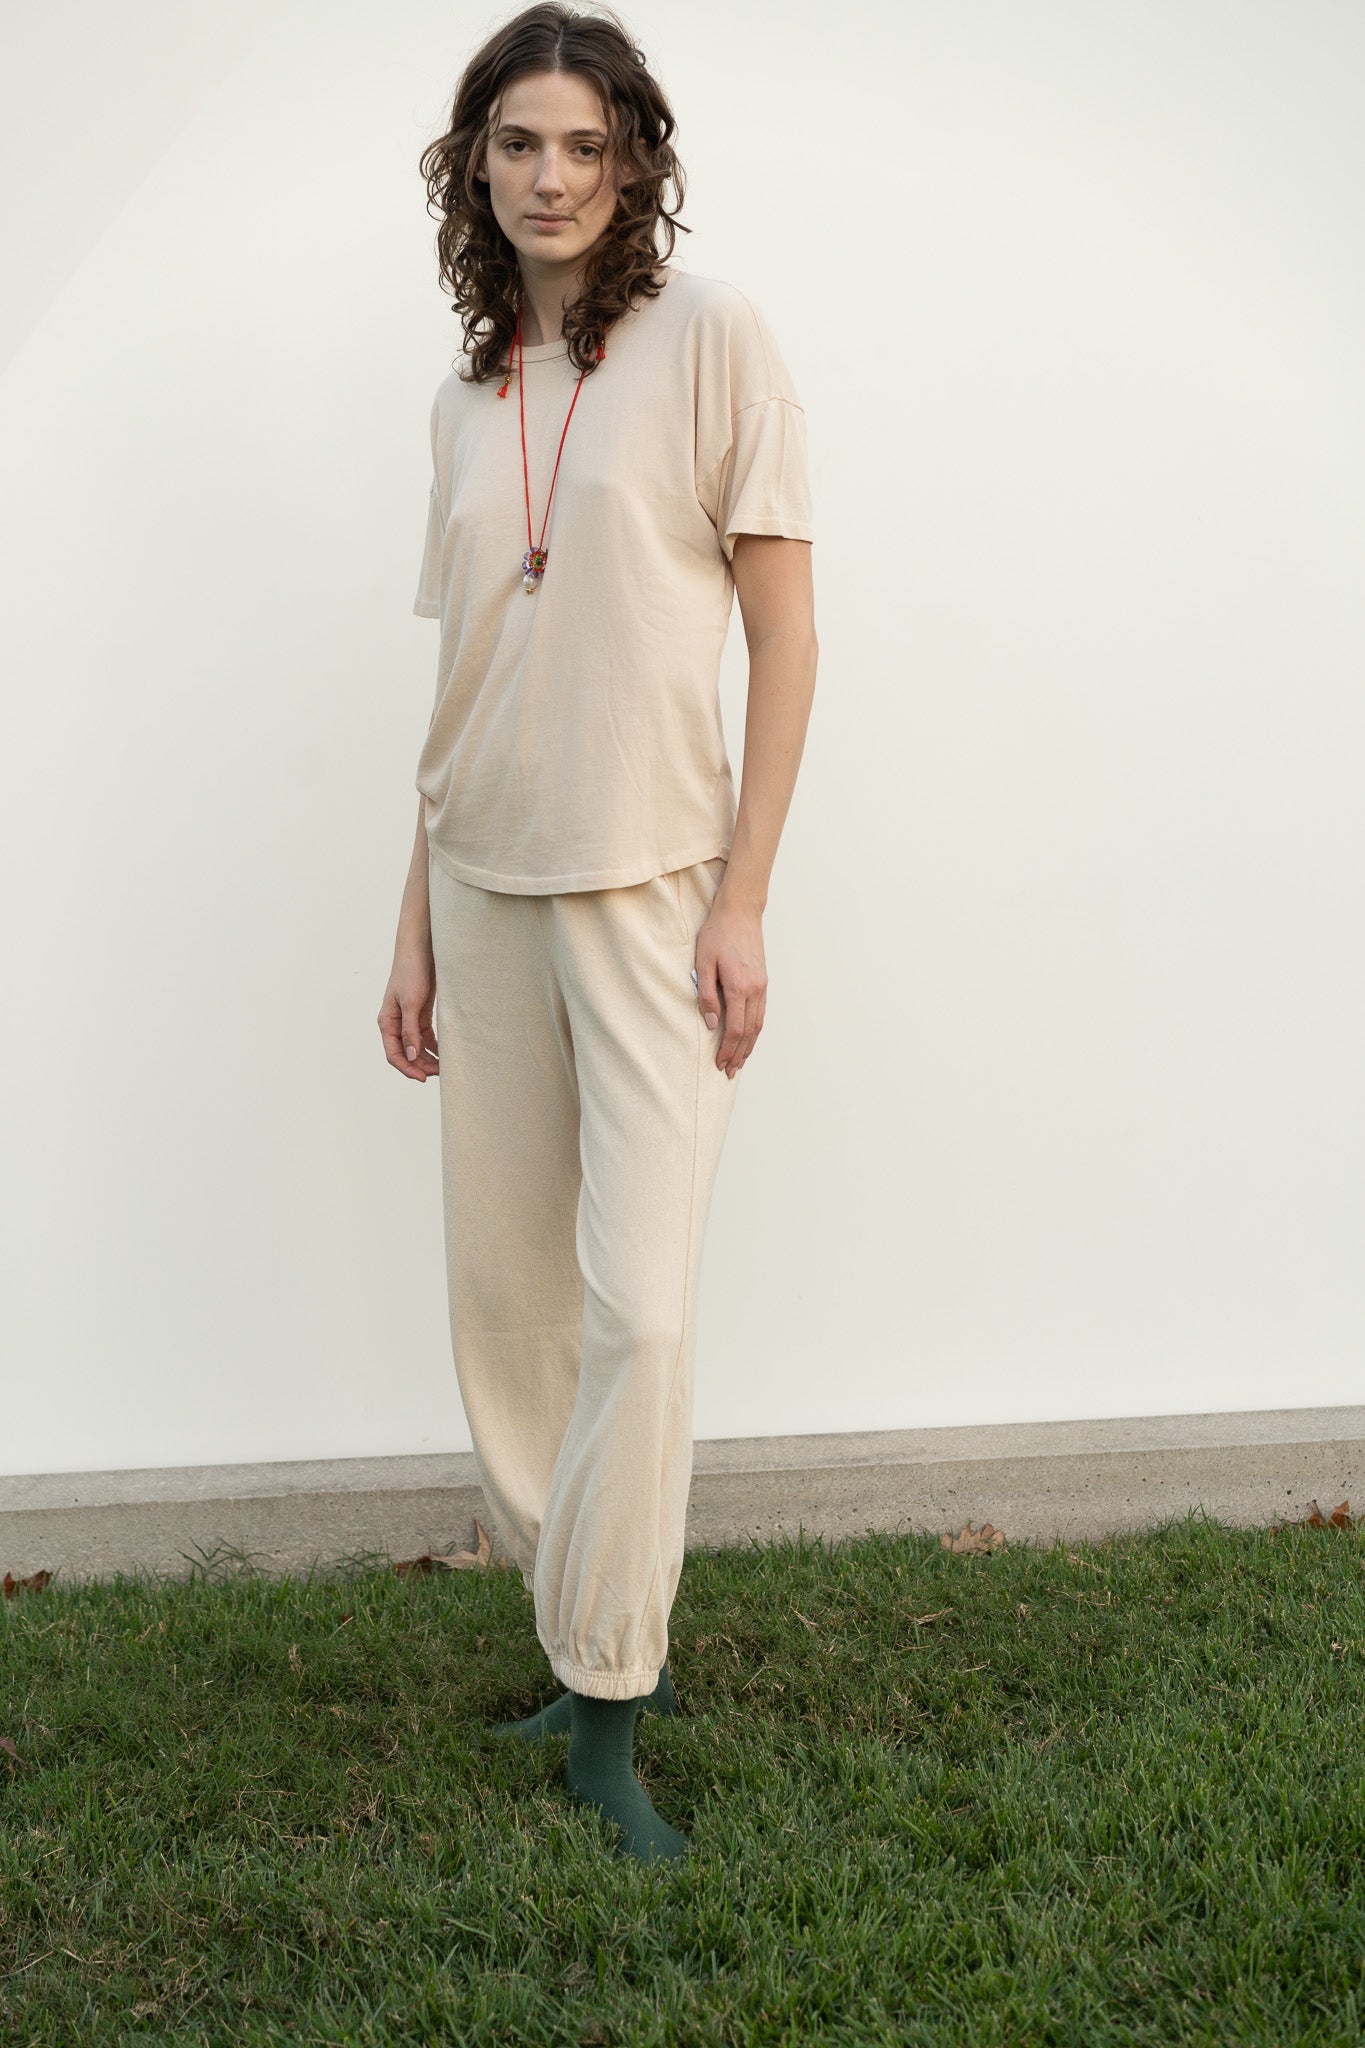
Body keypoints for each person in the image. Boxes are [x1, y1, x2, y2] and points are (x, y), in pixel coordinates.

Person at [378, 1, 817, 1866]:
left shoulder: (712, 339)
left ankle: (611, 1703)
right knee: (511, 1313)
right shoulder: (465, 396)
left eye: (581, 144)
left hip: (651, 890)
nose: (547, 177)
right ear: (471, 167)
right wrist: (408, 927)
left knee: (641, 1307)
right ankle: (579, 1644)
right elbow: (462, 686)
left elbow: (785, 636)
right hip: (479, 881)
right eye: (515, 144)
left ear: (632, 161)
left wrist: (745, 897)